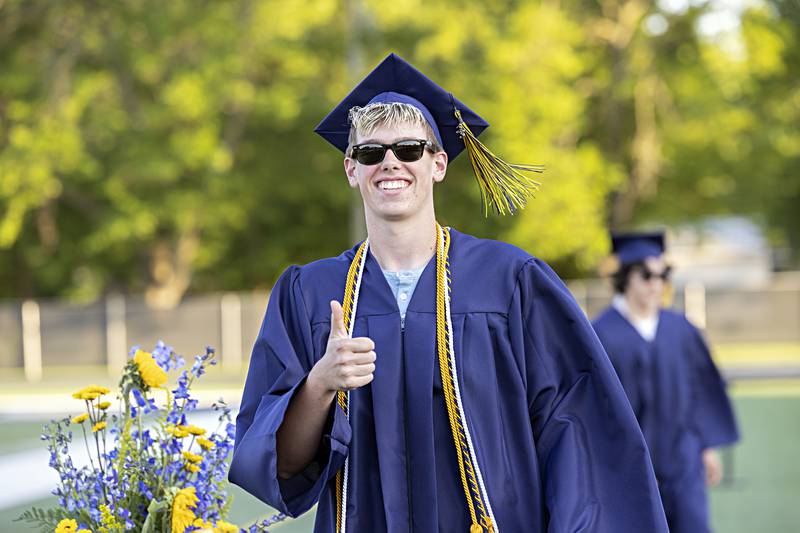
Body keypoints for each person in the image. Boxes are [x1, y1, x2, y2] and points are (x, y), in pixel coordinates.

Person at [229, 53, 668, 533]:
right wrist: (320, 384)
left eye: (409, 149)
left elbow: (578, 432)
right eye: (371, 153)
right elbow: (280, 465)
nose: (390, 163)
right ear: (351, 169)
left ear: (438, 163)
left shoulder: (511, 282)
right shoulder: (310, 295)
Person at [591, 231, 740, 533]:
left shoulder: (681, 329)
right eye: (646, 275)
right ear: (625, 278)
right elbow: (592, 407)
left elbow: (700, 390)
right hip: (628, 465)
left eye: (663, 275)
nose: (655, 284)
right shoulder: (600, 335)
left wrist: (706, 447)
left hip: (683, 459)